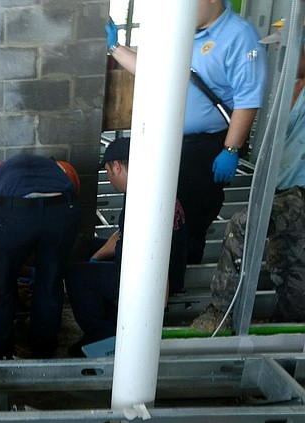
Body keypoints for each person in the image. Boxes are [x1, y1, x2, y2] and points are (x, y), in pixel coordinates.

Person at [107, 0, 266, 264]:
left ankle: (179, 282)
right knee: (159, 215)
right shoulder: (182, 31)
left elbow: (247, 100)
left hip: (204, 150)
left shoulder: (239, 36)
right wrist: (114, 48)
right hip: (168, 142)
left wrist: (230, 149)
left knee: (189, 218)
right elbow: (154, 71)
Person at [191, 39, 305, 333]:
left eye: (290, 49)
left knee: (242, 223)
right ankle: (285, 330)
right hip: (283, 189)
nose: (282, 56)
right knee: (289, 267)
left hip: (302, 194)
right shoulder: (290, 87)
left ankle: (219, 310)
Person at [65, 138, 188, 354]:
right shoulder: (152, 186)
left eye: (108, 172)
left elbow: (150, 258)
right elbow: (124, 236)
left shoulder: (140, 201)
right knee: (88, 247)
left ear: (118, 167)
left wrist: (160, 306)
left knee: (76, 276)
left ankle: (100, 338)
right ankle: (110, 320)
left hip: (149, 281)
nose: (109, 179)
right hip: (156, 267)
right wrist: (97, 255)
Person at [0, 155, 81, 359]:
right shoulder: (54, 171)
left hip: (13, 210)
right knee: (50, 281)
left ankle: (1, 351)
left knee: (2, 283)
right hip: (63, 207)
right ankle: (44, 348)